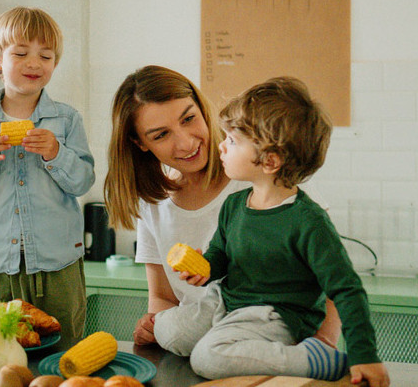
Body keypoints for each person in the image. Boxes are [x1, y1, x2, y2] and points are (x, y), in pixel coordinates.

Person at [160, 77, 389, 386]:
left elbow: (347, 289)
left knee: (207, 358)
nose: (221, 146)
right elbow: (220, 255)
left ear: (269, 161)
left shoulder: (309, 222)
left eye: (233, 140)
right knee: (167, 332)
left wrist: (365, 355)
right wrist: (206, 268)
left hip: (274, 314)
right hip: (227, 299)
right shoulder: (235, 205)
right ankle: (233, 343)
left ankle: (312, 358)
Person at [103, 65, 341, 348]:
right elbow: (164, 298)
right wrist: (156, 324)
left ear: (202, 110)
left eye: (189, 118)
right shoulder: (152, 202)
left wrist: (324, 340)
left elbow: (333, 281)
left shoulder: (261, 175)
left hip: (279, 344)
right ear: (139, 143)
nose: (186, 142)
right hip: (203, 349)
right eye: (160, 135)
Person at [0, 7, 95, 349]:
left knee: (63, 348)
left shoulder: (67, 120)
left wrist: (56, 154)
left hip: (57, 262)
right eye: (20, 53)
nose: (34, 63)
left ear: (54, 64)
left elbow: (83, 182)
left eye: (45, 56)